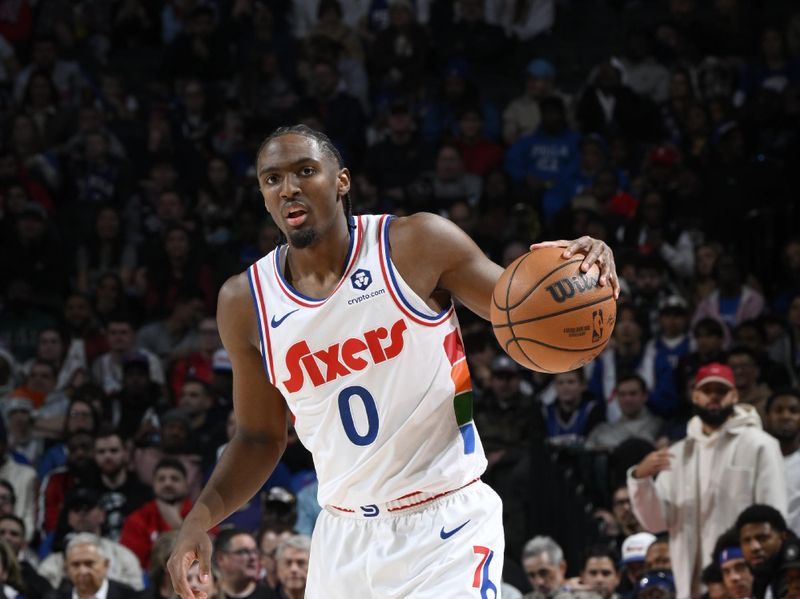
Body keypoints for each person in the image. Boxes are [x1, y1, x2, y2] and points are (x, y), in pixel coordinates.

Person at [166, 124, 620, 598]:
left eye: (305, 171)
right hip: (341, 538)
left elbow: (524, 310)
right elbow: (260, 435)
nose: (290, 188)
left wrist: (583, 275)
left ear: (342, 181)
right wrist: (201, 519)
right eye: (272, 179)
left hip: (445, 524)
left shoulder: (414, 245)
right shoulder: (245, 301)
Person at [628, 363, 788, 597]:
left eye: (721, 391)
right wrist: (640, 480)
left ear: (734, 395)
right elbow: (656, 523)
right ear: (695, 396)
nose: (713, 396)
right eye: (707, 391)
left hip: (742, 578)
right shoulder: (678, 454)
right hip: (690, 580)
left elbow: (774, 518)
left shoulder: (760, 445)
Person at [46, 533, 139, 599]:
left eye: (89, 564)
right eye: (75, 565)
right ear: (66, 568)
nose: (82, 571)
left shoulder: (129, 596)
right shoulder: (54, 597)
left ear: (106, 565)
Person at [736, 504, 796, 599]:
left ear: (783, 537)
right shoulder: (763, 575)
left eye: (762, 538)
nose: (754, 547)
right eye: (747, 540)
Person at [764, 389, 800, 534]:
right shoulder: (756, 461)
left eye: (793, 411)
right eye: (778, 411)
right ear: (767, 417)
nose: (786, 416)